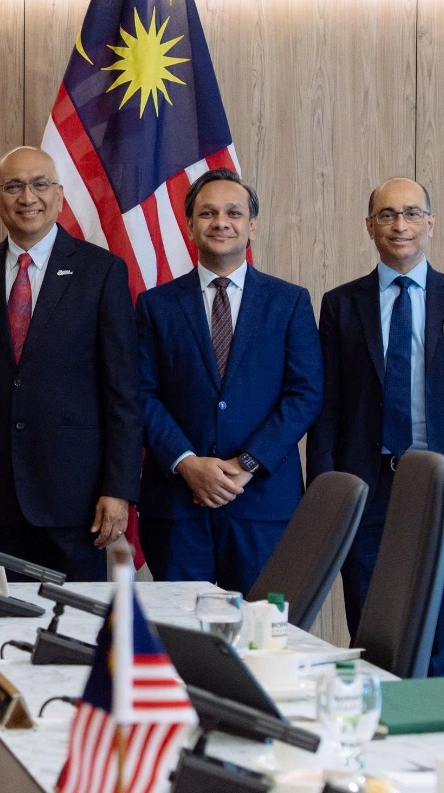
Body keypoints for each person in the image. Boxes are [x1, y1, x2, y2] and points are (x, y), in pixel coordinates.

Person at [307, 178, 444, 677]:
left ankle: (431, 727)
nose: (400, 225)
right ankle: (377, 724)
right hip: (365, 488)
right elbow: (328, 409)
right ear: (369, 226)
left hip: (438, 489)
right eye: (387, 215)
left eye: (412, 213)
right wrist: (325, 494)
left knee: (433, 635)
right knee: (369, 634)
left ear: (430, 223)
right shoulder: (340, 304)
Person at [0, 146, 140, 580]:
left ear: (59, 195)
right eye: (13, 186)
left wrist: (119, 488)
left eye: (39, 184)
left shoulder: (102, 272)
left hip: (76, 500)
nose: (27, 197)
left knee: (75, 618)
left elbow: (123, 392)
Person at [136, 168, 322, 593]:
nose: (221, 222)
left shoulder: (290, 302)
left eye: (233, 213)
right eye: (208, 213)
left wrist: (247, 464)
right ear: (189, 226)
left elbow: (306, 394)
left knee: (262, 628)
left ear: (251, 226)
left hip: (262, 506)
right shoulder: (155, 306)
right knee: (179, 628)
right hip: (178, 505)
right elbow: (141, 394)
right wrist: (187, 463)